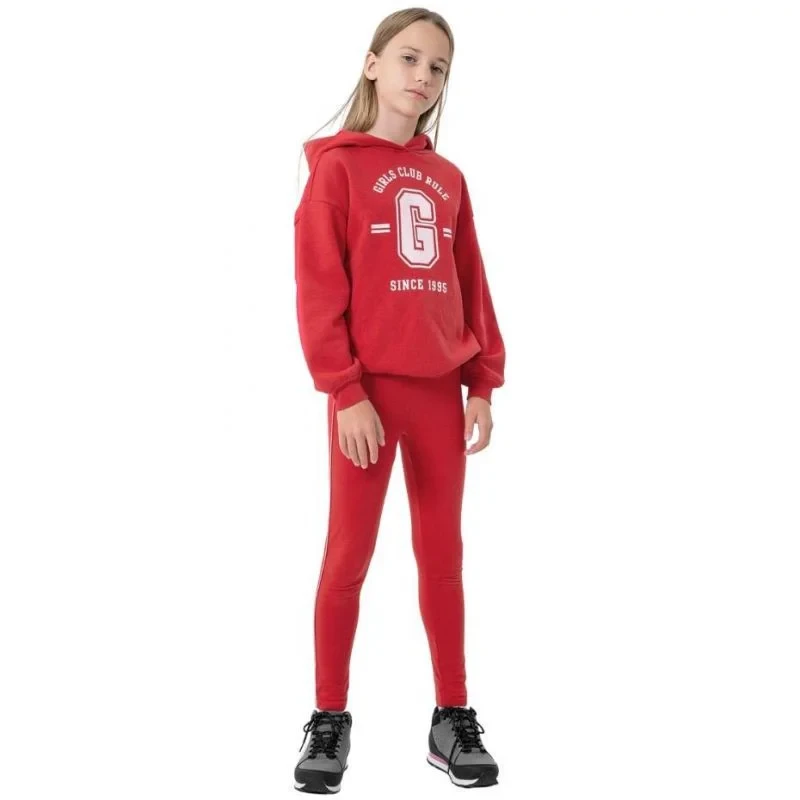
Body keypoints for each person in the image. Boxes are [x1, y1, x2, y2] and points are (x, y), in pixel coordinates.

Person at [292, 7, 505, 793]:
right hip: (368, 399)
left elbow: (470, 280)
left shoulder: (449, 180)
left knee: (442, 556)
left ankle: (452, 716)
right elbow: (319, 288)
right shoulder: (336, 171)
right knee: (348, 554)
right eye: (410, 58)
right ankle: (328, 717)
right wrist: (345, 389)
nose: (423, 76)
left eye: (437, 67)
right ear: (374, 63)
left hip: (440, 395)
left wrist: (482, 380)